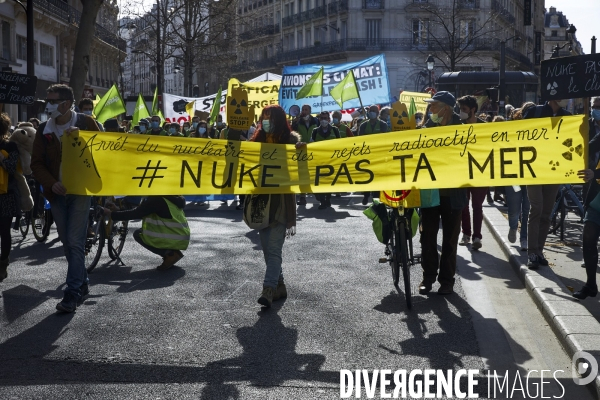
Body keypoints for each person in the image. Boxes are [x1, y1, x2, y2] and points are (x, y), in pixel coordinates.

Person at [30, 84, 100, 313]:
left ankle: (71, 293)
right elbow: (36, 164)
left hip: (80, 193)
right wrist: (52, 183)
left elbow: (102, 153)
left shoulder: (86, 123)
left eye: (52, 101)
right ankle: (84, 283)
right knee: (67, 243)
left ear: (66, 104)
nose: (48, 105)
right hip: (57, 194)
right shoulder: (43, 129)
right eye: (47, 100)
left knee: (75, 241)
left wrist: (82, 141)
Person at [251, 104, 300, 307]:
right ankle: (280, 286)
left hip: (281, 202)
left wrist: (299, 154)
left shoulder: (291, 142)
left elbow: (299, 170)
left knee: (273, 250)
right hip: (261, 203)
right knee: (267, 250)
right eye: (264, 117)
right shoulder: (255, 143)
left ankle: (268, 289)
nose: (266, 121)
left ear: (279, 120)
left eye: (270, 117)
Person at [418, 91, 467, 295]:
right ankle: (428, 277)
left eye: (433, 105)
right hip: (430, 193)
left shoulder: (464, 131)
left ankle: (446, 281)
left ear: (445, 108)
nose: (430, 110)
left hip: (453, 194)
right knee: (427, 237)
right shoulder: (424, 130)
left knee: (450, 239)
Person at [523, 99, 572, 269]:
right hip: (533, 169)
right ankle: (531, 253)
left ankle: (539, 250)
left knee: (546, 213)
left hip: (554, 170)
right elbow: (519, 137)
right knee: (536, 208)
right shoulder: (533, 112)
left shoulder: (568, 117)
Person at [103, 196, 189, 270]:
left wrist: (111, 214)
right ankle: (172, 251)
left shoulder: (157, 200)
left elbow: (136, 213)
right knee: (141, 232)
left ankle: (170, 254)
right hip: (178, 235)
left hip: (172, 236)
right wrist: (118, 210)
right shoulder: (170, 197)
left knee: (139, 234)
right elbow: (140, 210)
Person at [457, 95, 487, 249]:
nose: (461, 112)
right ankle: (466, 234)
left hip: (480, 173)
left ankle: (477, 237)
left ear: (473, 110)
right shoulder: (458, 126)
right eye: (460, 109)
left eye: (464, 109)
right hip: (462, 172)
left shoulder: (485, 127)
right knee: (463, 205)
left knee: (477, 206)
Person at [0, 113, 20, 282]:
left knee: (4, 231)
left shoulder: (11, 146)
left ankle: (3, 263)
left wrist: (1, 158)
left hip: (6, 195)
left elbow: (12, 168)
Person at [359, 105, 389, 205]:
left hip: (378, 156)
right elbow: (359, 140)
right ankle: (366, 194)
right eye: (370, 110)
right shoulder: (363, 125)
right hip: (366, 155)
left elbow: (384, 139)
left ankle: (376, 196)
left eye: (374, 111)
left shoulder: (383, 124)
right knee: (367, 176)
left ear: (378, 112)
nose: (371, 112)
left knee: (377, 176)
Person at [310, 111, 340, 209]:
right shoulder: (315, 131)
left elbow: (341, 143)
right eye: (321, 118)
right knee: (320, 180)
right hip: (319, 160)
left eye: (325, 118)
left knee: (329, 180)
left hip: (332, 160)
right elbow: (311, 144)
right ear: (319, 119)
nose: (323, 120)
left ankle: (327, 198)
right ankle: (322, 200)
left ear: (329, 119)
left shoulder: (335, 130)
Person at [291, 104, 318, 205]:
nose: (304, 111)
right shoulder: (298, 122)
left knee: (314, 173)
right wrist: (294, 124)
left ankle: (317, 193)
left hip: (313, 150)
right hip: (301, 150)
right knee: (302, 174)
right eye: (303, 109)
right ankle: (303, 196)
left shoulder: (316, 121)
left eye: (306, 109)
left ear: (310, 111)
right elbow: (292, 134)